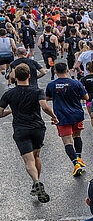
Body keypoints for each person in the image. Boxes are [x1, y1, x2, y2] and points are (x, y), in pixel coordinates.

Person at [0, 63, 54, 201]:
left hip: (21, 129)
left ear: (15, 77)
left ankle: (36, 181)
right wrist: (54, 116)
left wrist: (10, 111)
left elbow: (0, 113)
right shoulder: (37, 91)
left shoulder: (9, 94)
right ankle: (36, 182)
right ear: (29, 76)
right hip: (37, 127)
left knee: (28, 160)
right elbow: (44, 106)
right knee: (36, 156)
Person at [45, 61, 89, 178]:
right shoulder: (76, 83)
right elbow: (86, 97)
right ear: (67, 71)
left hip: (61, 116)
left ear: (55, 71)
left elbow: (47, 97)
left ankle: (76, 164)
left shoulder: (51, 85)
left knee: (67, 142)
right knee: (77, 136)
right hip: (77, 115)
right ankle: (79, 158)